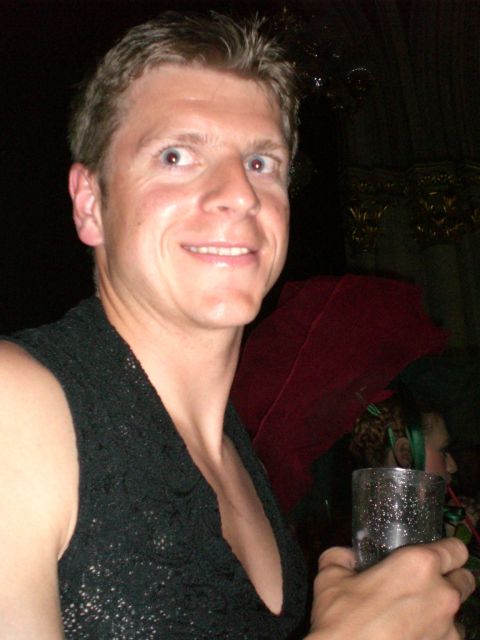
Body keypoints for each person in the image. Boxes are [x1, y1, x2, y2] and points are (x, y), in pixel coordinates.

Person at [0, 11, 474, 640]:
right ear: (90, 204)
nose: (240, 194)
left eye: (260, 164)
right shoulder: (18, 404)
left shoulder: (234, 454)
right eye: (176, 156)